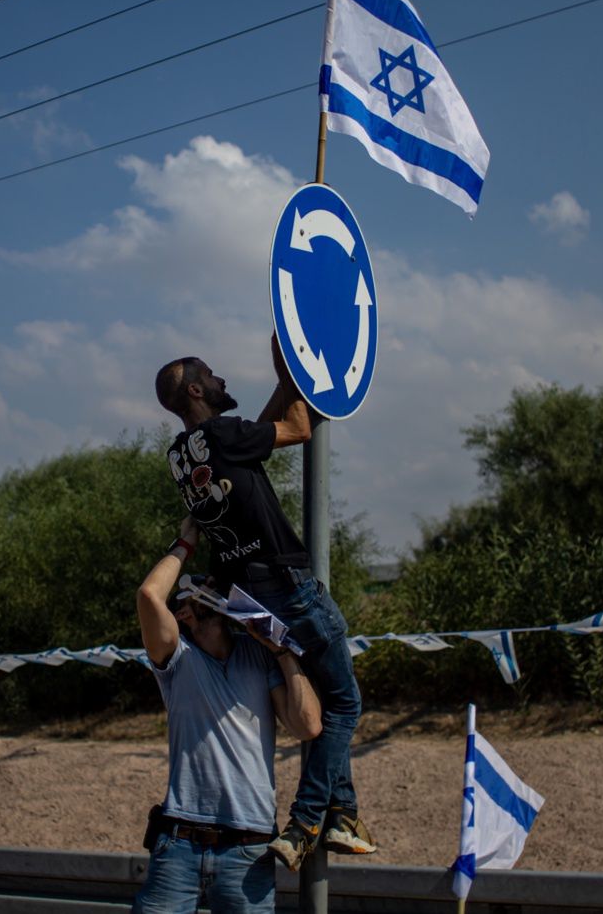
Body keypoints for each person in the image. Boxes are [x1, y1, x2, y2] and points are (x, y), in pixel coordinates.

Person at [153, 339, 377, 871]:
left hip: (246, 596)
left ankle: (344, 814)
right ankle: (306, 823)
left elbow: (251, 435)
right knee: (344, 705)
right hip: (287, 584)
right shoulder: (224, 435)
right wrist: (295, 366)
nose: (222, 378)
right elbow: (298, 429)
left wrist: (282, 386)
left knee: (321, 692)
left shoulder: (187, 452)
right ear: (195, 388)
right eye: (213, 373)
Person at [133, 519, 322, 914]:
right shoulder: (177, 659)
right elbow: (150, 596)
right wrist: (186, 542)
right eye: (198, 593)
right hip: (179, 844)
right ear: (185, 613)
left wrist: (283, 652)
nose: (213, 595)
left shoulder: (258, 656)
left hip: (248, 851)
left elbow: (307, 726)